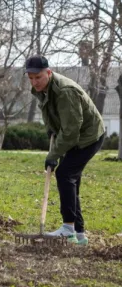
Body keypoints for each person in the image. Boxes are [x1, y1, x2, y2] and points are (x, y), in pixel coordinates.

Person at [26, 55, 104, 245]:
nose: (34, 82)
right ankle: (79, 234)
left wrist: (53, 154)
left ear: (49, 73)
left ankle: (68, 229)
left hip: (88, 136)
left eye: (38, 77)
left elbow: (71, 131)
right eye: (31, 78)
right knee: (71, 180)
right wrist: (51, 130)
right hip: (74, 135)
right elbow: (50, 114)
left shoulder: (65, 92)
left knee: (65, 174)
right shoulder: (43, 89)